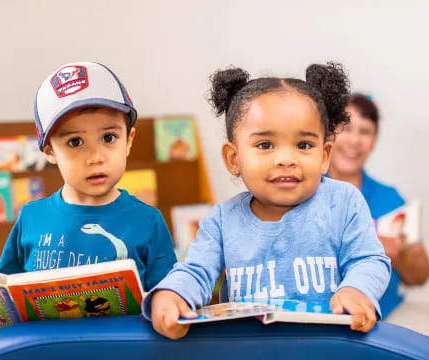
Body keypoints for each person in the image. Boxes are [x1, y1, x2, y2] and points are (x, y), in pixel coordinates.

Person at [143, 62, 391, 339]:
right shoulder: (222, 220)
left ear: (324, 155)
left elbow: (369, 260)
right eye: (265, 145)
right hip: (250, 349)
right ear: (233, 159)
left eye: (304, 145)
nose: (286, 159)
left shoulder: (343, 202)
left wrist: (357, 290)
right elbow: (195, 271)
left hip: (328, 347)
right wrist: (172, 294)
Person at [0, 62, 177, 291]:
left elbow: (169, 300)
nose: (95, 158)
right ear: (50, 152)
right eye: (75, 142)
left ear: (129, 140)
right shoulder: (31, 218)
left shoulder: (148, 221)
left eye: (109, 138)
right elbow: (4, 295)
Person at [328, 94, 429, 318]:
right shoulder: (304, 190)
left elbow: (419, 277)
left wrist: (402, 254)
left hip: (383, 319)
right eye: (346, 128)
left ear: (374, 141)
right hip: (322, 317)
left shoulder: (390, 200)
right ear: (329, 133)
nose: (354, 141)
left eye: (365, 131)